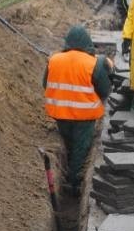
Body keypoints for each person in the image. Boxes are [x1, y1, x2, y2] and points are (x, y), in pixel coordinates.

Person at [43, 25, 112, 195]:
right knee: (80, 149)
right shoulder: (93, 63)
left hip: (60, 114)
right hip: (84, 116)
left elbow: (46, 84)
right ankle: (73, 183)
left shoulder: (54, 60)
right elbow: (105, 90)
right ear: (87, 43)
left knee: (68, 143)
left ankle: (68, 175)